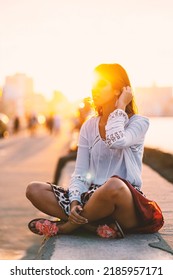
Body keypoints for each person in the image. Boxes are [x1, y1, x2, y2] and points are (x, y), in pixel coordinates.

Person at [26, 63, 164, 239]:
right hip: (89, 199)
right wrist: (75, 201)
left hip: (123, 202)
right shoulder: (89, 126)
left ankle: (69, 227)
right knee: (34, 189)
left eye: (101, 85)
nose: (94, 90)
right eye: (93, 85)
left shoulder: (139, 123)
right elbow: (81, 172)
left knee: (114, 185)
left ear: (118, 90)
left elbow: (117, 140)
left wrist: (120, 107)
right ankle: (94, 226)